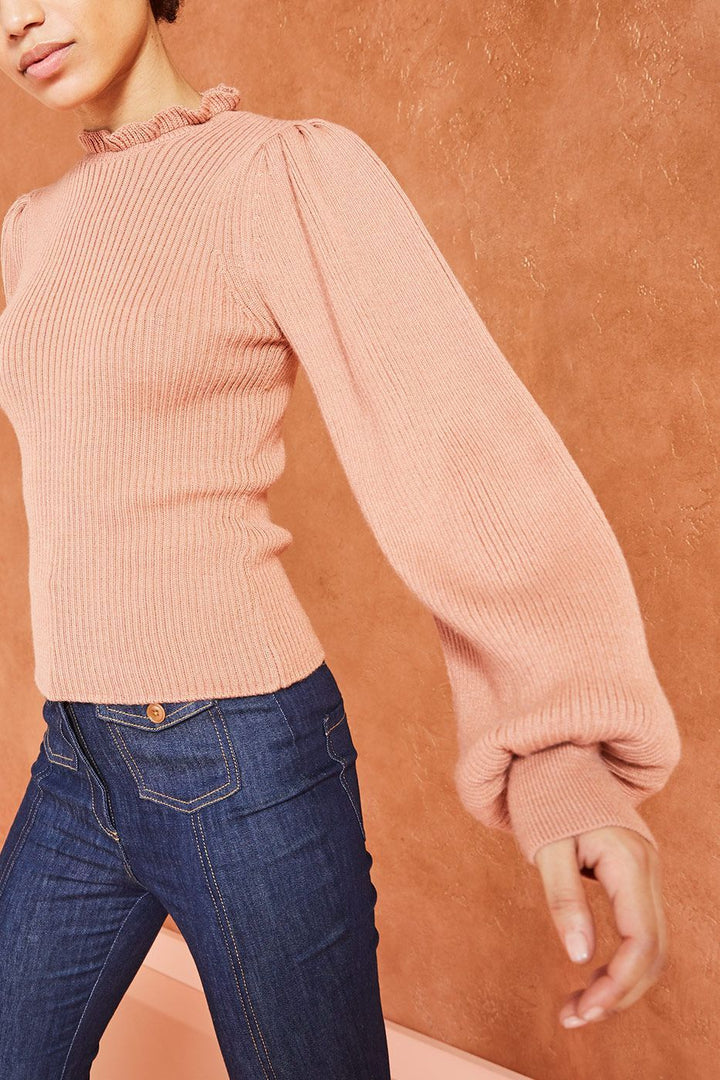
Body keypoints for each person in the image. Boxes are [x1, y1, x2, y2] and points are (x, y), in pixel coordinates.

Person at [0, 0, 682, 1074]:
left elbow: (453, 438)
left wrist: (562, 757)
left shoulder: (277, 172)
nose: (19, 16)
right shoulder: (32, 227)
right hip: (77, 755)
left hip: (238, 759)